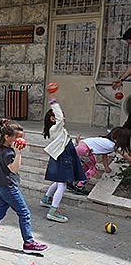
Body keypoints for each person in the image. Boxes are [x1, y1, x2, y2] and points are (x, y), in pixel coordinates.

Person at [0, 119, 48, 254]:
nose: (20, 140)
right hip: (8, 188)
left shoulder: (2, 148)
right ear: (7, 137)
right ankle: (28, 243)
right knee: (24, 213)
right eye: (17, 137)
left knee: (0, 211)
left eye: (22, 137)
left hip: (0, 186)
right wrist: (18, 154)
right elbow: (13, 169)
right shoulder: (9, 153)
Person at [39, 88, 87, 223]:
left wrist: (75, 142)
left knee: (58, 181)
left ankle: (46, 199)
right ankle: (53, 211)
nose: (62, 117)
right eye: (59, 116)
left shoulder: (57, 130)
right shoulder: (55, 128)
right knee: (63, 185)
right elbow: (60, 118)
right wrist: (52, 100)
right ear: (52, 118)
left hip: (62, 157)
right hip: (62, 158)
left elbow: (64, 140)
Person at [71, 127, 131, 195]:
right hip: (84, 150)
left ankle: (72, 179)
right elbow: (127, 157)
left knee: (87, 166)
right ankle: (79, 186)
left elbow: (104, 155)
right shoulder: (116, 146)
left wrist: (106, 168)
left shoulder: (105, 141)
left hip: (80, 147)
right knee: (93, 169)